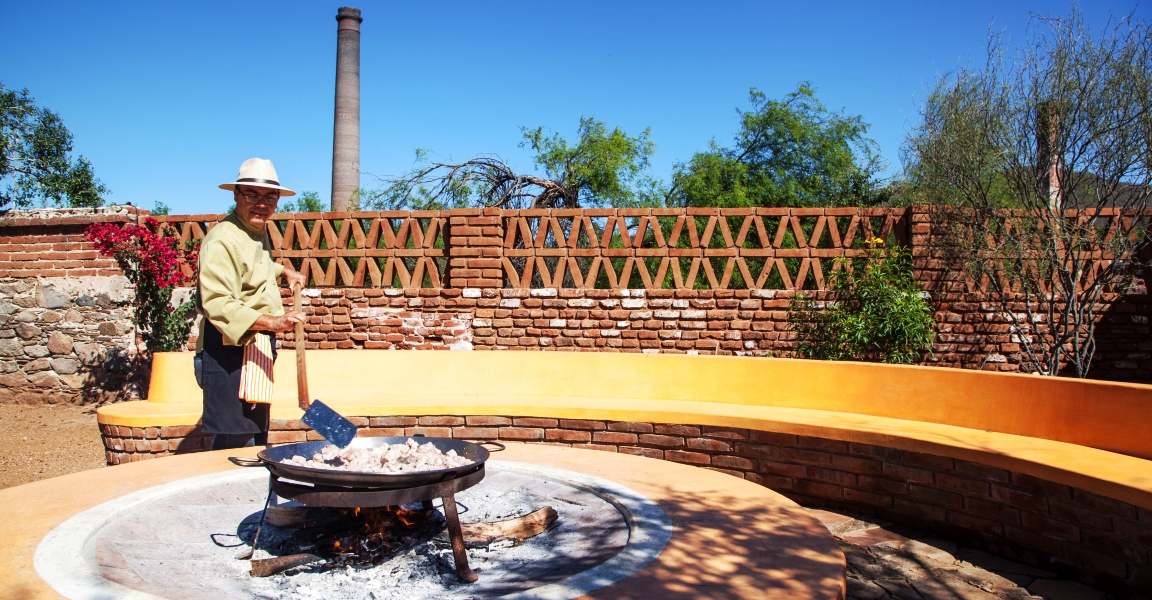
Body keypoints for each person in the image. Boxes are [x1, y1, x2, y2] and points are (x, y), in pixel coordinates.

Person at [196, 158, 307, 450]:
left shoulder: (254, 232)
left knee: (253, 436)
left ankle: (247, 493)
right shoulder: (221, 240)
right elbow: (217, 303)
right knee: (237, 440)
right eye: (252, 195)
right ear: (236, 195)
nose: (262, 204)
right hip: (228, 352)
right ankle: (226, 495)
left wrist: (284, 272)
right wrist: (273, 322)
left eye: (270, 197)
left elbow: (256, 265)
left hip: (255, 346)